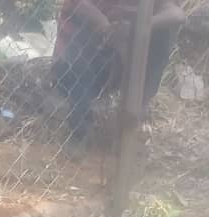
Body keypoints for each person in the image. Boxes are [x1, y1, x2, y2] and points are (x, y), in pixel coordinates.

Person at [53, 0, 186, 140]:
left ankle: (136, 111)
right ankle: (79, 129)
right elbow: (79, 4)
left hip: (121, 53)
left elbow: (177, 14)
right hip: (83, 55)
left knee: (163, 34)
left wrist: (136, 27)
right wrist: (108, 29)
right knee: (82, 37)